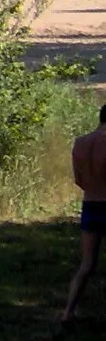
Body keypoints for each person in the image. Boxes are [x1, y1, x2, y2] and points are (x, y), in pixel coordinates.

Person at [63, 105, 106, 324]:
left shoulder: (80, 143)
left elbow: (79, 180)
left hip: (90, 205)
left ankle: (68, 311)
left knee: (87, 264)